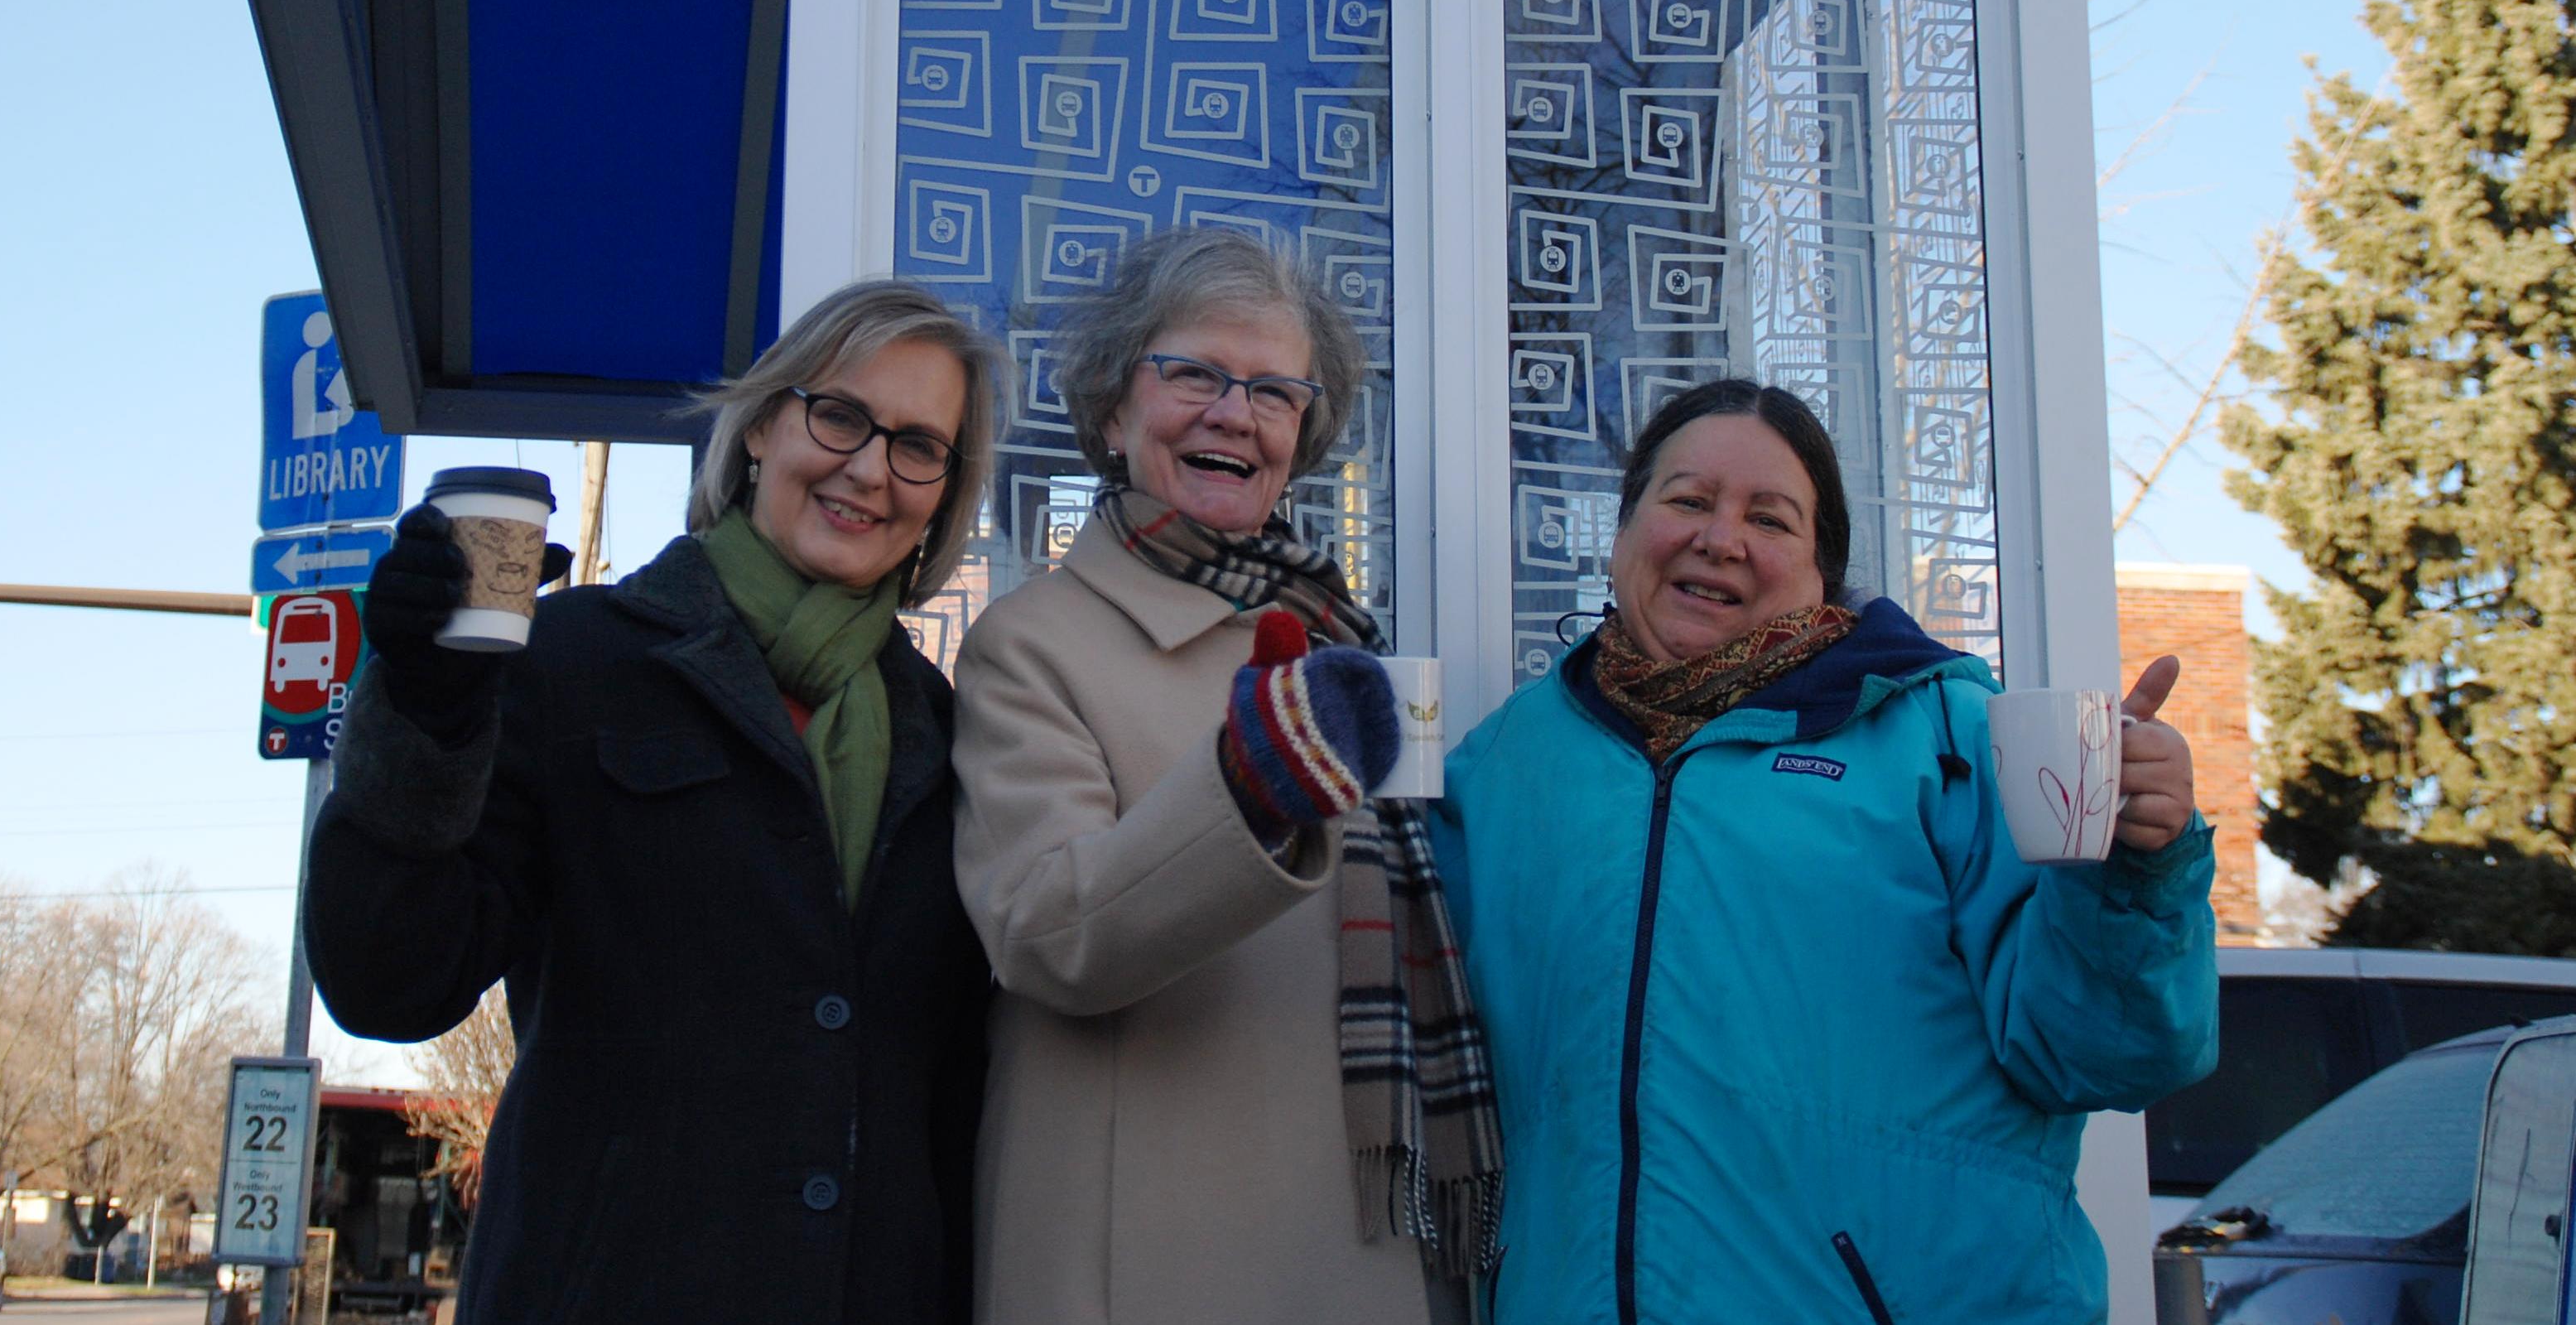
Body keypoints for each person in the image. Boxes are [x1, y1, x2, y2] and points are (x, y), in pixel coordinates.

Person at [1435, 378, 2217, 1325]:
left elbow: (2104, 1055)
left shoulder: (1951, 734)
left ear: (1822, 568)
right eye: (1686, 499)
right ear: (1624, 528)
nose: (1719, 538)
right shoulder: (1502, 769)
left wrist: (2140, 864)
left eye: (1769, 517)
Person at [305, 280, 1003, 1325]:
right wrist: (423, 704)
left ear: (942, 496)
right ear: (764, 424)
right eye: (841, 415)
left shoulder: (951, 737)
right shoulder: (577, 662)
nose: (870, 468)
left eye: (918, 446)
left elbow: (955, 1096)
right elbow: (388, 980)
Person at [951, 227, 1501, 1325]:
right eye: (1192, 372)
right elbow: (1043, 931)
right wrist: (1247, 794)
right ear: (1112, 410)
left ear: (1302, 440)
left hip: (1366, 1232)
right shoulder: (1031, 642)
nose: (1230, 412)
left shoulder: (1350, 643)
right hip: (1150, 1262)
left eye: (1272, 391)